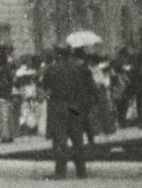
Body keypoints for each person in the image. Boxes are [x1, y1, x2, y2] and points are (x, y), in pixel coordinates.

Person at [42, 40, 105, 179]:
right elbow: (90, 87)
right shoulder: (79, 68)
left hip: (59, 107)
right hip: (75, 108)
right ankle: (81, 171)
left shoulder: (52, 69)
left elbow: (45, 86)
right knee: (77, 138)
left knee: (60, 139)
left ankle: (61, 171)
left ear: (58, 54)